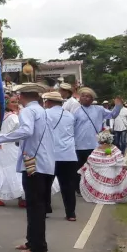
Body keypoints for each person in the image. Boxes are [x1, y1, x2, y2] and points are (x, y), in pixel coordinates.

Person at [0, 83, 55, 252]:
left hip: (33, 161)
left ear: (22, 96)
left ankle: (38, 246)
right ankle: (32, 241)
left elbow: (26, 131)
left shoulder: (27, 111)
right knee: (36, 204)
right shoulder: (43, 111)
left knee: (35, 205)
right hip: (45, 162)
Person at [78, 130, 127, 205]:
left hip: (103, 172)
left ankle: (103, 197)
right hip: (111, 172)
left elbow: (91, 159)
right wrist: (123, 166)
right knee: (110, 186)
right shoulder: (113, 148)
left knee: (101, 185)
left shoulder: (98, 148)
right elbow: (119, 159)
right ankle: (111, 197)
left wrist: (87, 165)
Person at [42, 91, 78, 221]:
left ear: (49, 102)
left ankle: (45, 208)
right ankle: (71, 213)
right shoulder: (70, 116)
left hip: (50, 154)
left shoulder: (45, 114)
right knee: (68, 185)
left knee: (45, 184)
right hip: (68, 154)